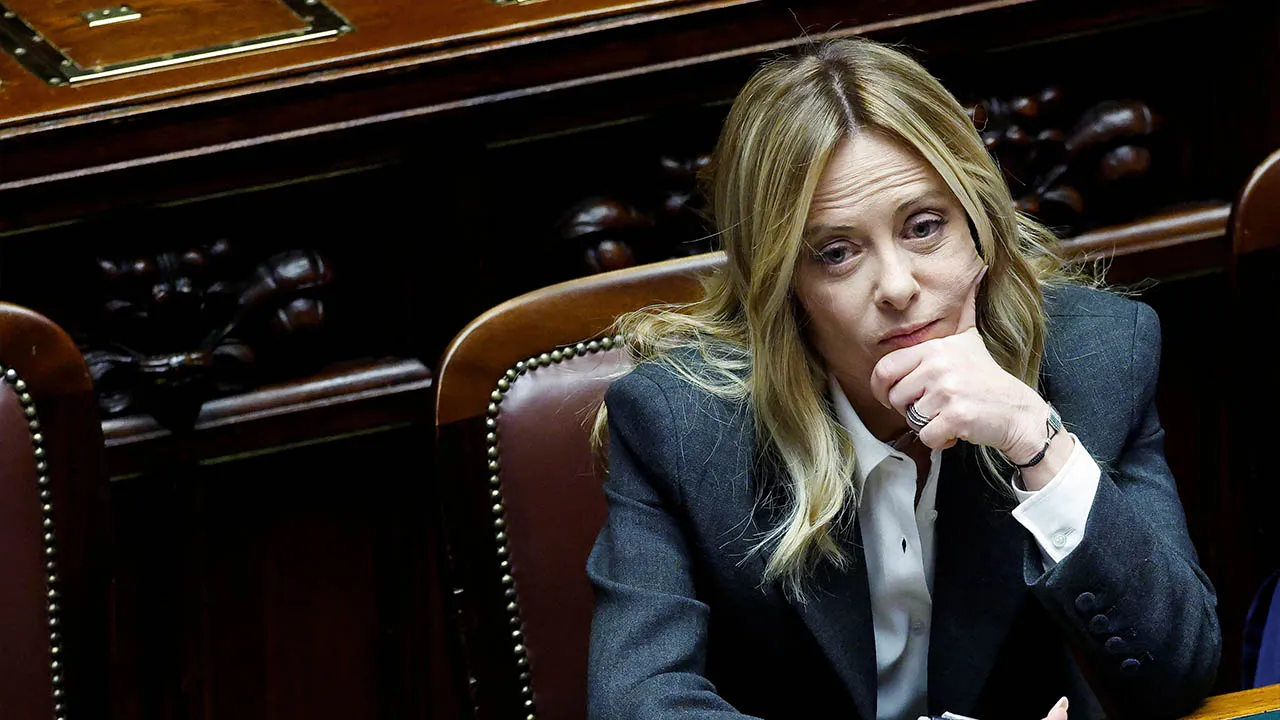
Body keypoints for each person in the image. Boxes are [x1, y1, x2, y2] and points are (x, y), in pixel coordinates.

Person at [585, 37, 1220, 720]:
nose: (896, 286)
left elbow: (1178, 672)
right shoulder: (679, 424)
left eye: (923, 227)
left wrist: (1037, 442)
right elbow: (638, 702)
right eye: (835, 253)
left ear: (979, 225)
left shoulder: (1096, 359)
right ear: (784, 285)